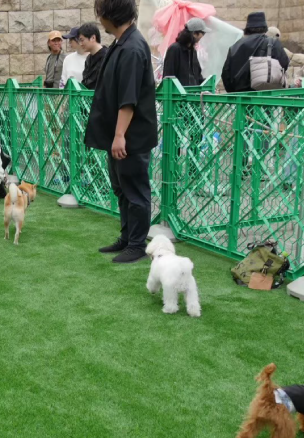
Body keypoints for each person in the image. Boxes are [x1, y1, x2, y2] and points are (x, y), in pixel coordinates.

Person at [85, 0, 158, 264]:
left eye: (100, 13)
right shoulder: (121, 43)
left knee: (135, 191)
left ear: (110, 15)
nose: (99, 19)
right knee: (122, 189)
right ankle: (127, 238)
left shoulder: (132, 48)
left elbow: (129, 99)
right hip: (120, 135)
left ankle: (137, 244)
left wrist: (119, 136)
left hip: (131, 137)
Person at [222, 11, 289, 93]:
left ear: (247, 28)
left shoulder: (234, 47)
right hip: (265, 95)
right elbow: (285, 63)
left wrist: (232, 92)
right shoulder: (272, 43)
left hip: (239, 97)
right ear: (265, 28)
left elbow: (225, 74)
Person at [162, 18, 209, 86]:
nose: (203, 36)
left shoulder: (193, 51)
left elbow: (197, 76)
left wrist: (207, 84)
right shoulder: (174, 49)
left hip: (193, 92)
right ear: (195, 33)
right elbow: (168, 77)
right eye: (203, 33)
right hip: (178, 92)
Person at [78, 22, 108, 90]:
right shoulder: (88, 59)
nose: (80, 44)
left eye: (82, 40)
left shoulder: (107, 57)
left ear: (93, 38)